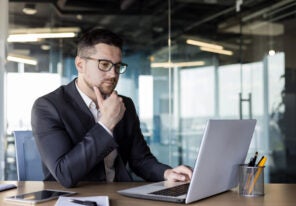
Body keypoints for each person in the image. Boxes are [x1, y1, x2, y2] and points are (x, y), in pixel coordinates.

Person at [31, 28, 192, 188]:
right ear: (80, 64)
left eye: (117, 66)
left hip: (118, 195)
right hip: (72, 199)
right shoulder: (48, 107)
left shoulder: (124, 104)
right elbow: (64, 174)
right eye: (105, 64)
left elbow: (140, 160)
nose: (113, 74)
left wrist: (168, 173)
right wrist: (106, 124)